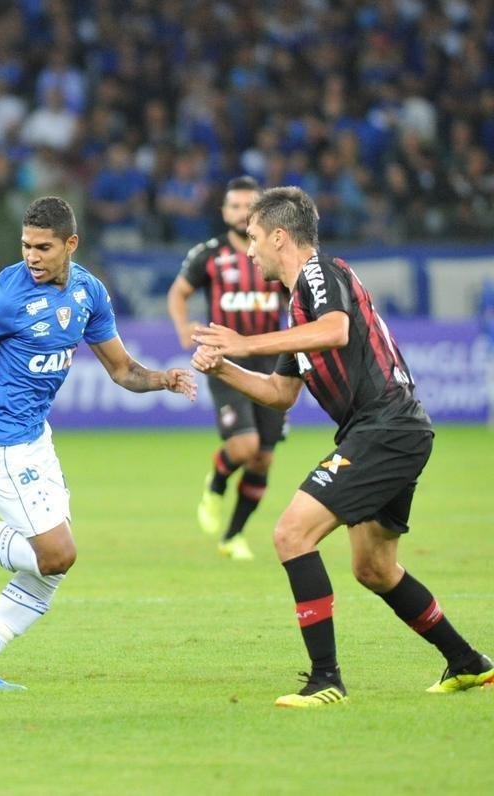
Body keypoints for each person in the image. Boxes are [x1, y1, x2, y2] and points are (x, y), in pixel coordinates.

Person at [192, 186, 493, 707]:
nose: (250, 250)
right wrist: (225, 366)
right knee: (373, 567)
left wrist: (245, 342)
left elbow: (335, 331)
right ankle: (468, 662)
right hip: (389, 431)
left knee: (291, 534)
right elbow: (279, 395)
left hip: (385, 427)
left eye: (256, 237)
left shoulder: (319, 274)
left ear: (280, 236)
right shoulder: (298, 310)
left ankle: (325, 679)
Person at [0, 196, 196, 690]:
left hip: (35, 437)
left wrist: (163, 380)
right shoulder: (4, 295)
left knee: (50, 569)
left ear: (70, 245)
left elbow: (122, 370)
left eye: (43, 247)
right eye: (26, 246)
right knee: (57, 553)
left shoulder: (89, 293)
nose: (32, 257)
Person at [167, 176, 287, 561]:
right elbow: (179, 293)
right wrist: (183, 326)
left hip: (272, 357)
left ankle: (233, 535)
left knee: (263, 457)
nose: (240, 213)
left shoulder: (275, 253)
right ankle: (217, 482)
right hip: (224, 358)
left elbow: (296, 292)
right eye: (233, 206)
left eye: (247, 206)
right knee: (244, 445)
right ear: (224, 211)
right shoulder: (210, 254)